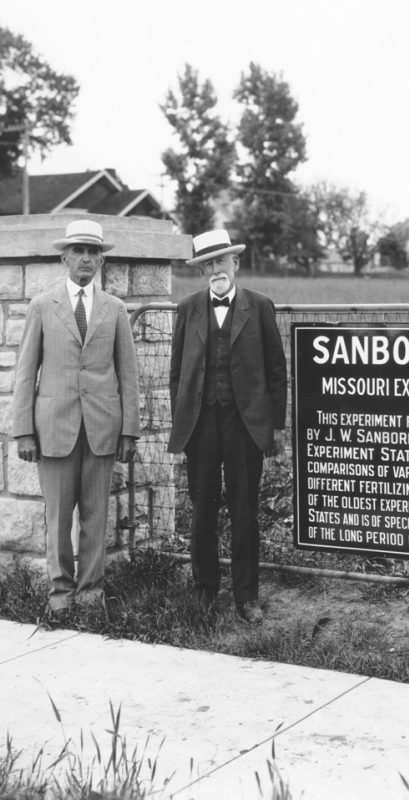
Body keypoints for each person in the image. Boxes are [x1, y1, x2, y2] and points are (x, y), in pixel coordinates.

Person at [13, 219, 140, 616]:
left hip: (102, 429)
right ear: (64, 256)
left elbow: (128, 375)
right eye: (79, 251)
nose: (87, 259)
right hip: (53, 429)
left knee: (95, 515)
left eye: (94, 252)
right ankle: (60, 594)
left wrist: (130, 431)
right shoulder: (41, 306)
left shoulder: (115, 309)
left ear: (102, 260)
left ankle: (90, 592)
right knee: (57, 516)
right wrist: (23, 432)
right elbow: (25, 372)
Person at [168, 229, 287, 624]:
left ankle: (247, 596)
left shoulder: (260, 306)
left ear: (236, 263)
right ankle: (204, 590)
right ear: (201, 271)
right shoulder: (188, 309)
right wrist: (182, 420)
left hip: (245, 425)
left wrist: (277, 427)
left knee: (244, 510)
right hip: (201, 426)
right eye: (208, 264)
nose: (215, 269)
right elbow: (176, 374)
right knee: (202, 508)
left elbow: (276, 372)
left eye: (222, 260)